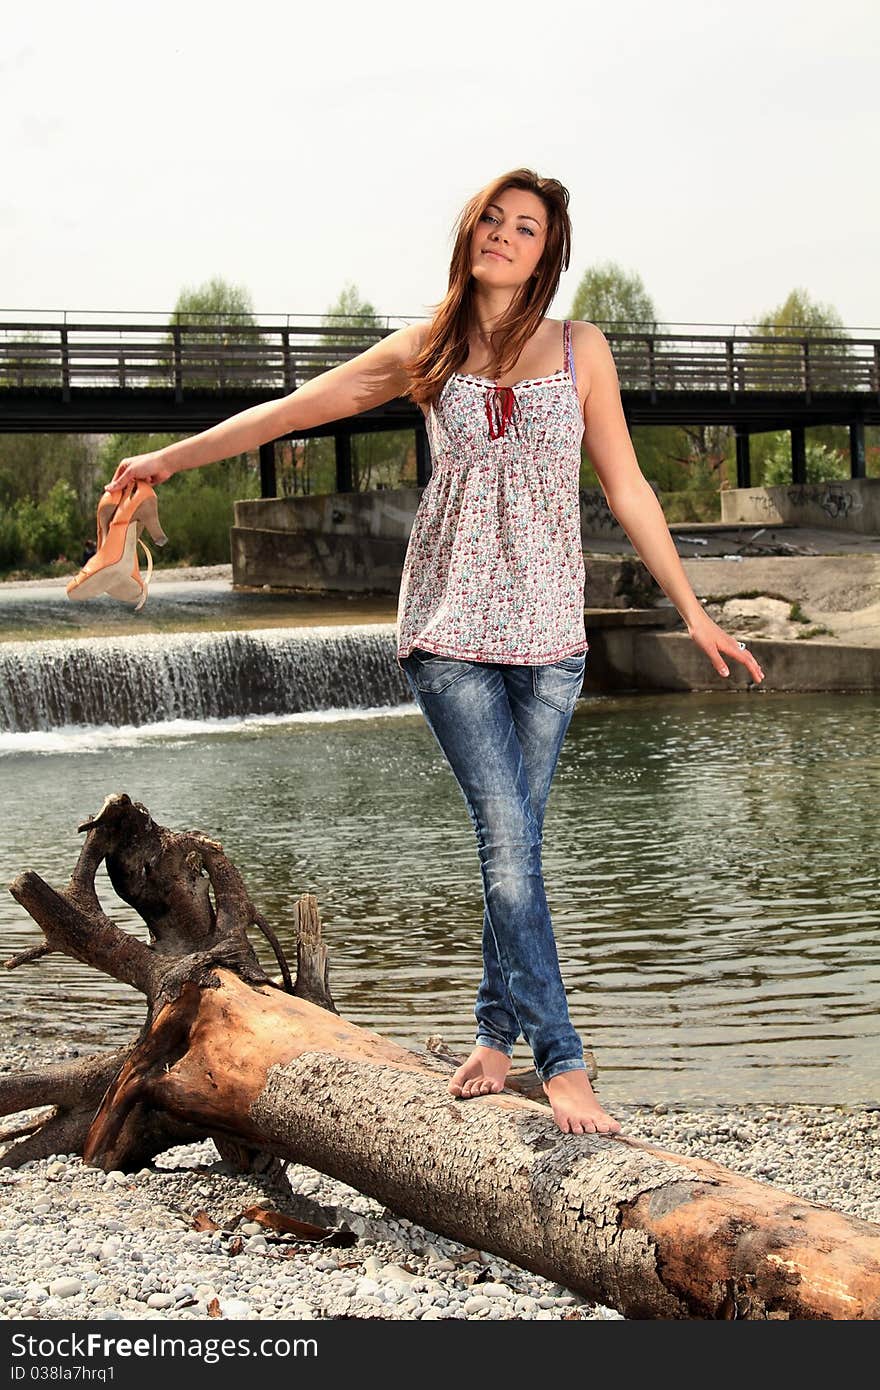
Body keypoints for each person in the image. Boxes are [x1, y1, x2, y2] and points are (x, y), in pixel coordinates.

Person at [105, 167, 765, 1137]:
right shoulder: (429, 346)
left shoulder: (583, 351)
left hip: (550, 637)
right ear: (469, 233)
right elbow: (292, 410)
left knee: (519, 850)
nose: (502, 234)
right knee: (508, 849)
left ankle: (493, 1034)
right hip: (449, 627)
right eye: (490, 219)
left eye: (525, 226)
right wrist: (168, 457)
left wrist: (694, 611)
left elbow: (627, 487)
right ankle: (564, 1059)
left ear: (549, 250)